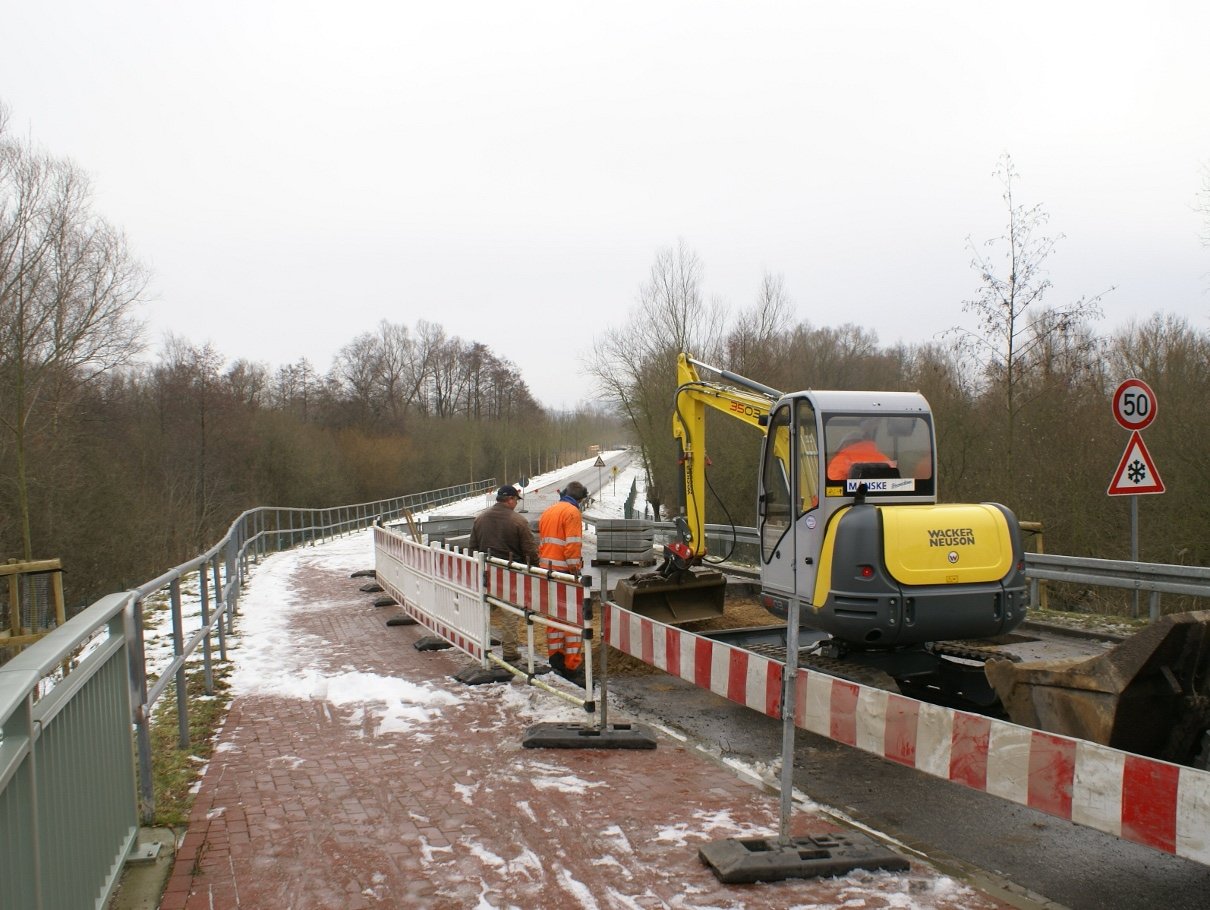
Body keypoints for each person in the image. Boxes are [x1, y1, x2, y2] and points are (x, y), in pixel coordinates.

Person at [469, 484, 538, 663]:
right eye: (516, 500)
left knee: (484, 609)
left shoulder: (480, 519)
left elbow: (473, 548)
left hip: (486, 572)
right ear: (510, 499)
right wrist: (535, 568)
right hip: (510, 572)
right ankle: (509, 651)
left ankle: (477, 643)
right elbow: (529, 550)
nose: (516, 503)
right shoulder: (518, 521)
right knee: (509, 613)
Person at [538, 480, 588, 685]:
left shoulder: (549, 511)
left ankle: (556, 660)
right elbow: (572, 546)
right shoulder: (572, 512)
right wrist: (576, 571)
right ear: (580, 499)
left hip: (547, 570)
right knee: (572, 620)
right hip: (564, 573)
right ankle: (572, 666)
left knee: (554, 617)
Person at [826, 422, 895, 481]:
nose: (841, 449)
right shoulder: (884, 458)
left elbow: (833, 483)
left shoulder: (841, 459)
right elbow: (894, 480)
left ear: (846, 443)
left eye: (842, 446)